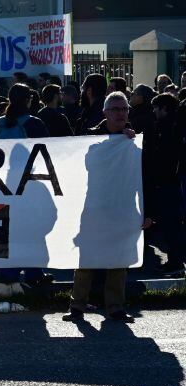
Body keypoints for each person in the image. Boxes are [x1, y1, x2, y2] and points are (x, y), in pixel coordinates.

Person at [64, 92, 147, 322]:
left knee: (118, 260)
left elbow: (144, 177)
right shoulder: (89, 138)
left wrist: (147, 212)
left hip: (123, 208)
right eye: (115, 109)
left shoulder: (134, 141)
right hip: (94, 207)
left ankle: (115, 307)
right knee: (86, 259)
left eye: (124, 109)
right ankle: (77, 306)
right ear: (105, 113)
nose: (121, 113)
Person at [143, 93, 184, 276]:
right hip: (172, 182)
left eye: (156, 108)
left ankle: (175, 263)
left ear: (164, 108)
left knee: (170, 226)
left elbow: (161, 156)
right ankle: (174, 261)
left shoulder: (166, 129)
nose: (154, 111)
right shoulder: (175, 126)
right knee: (170, 225)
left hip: (166, 182)